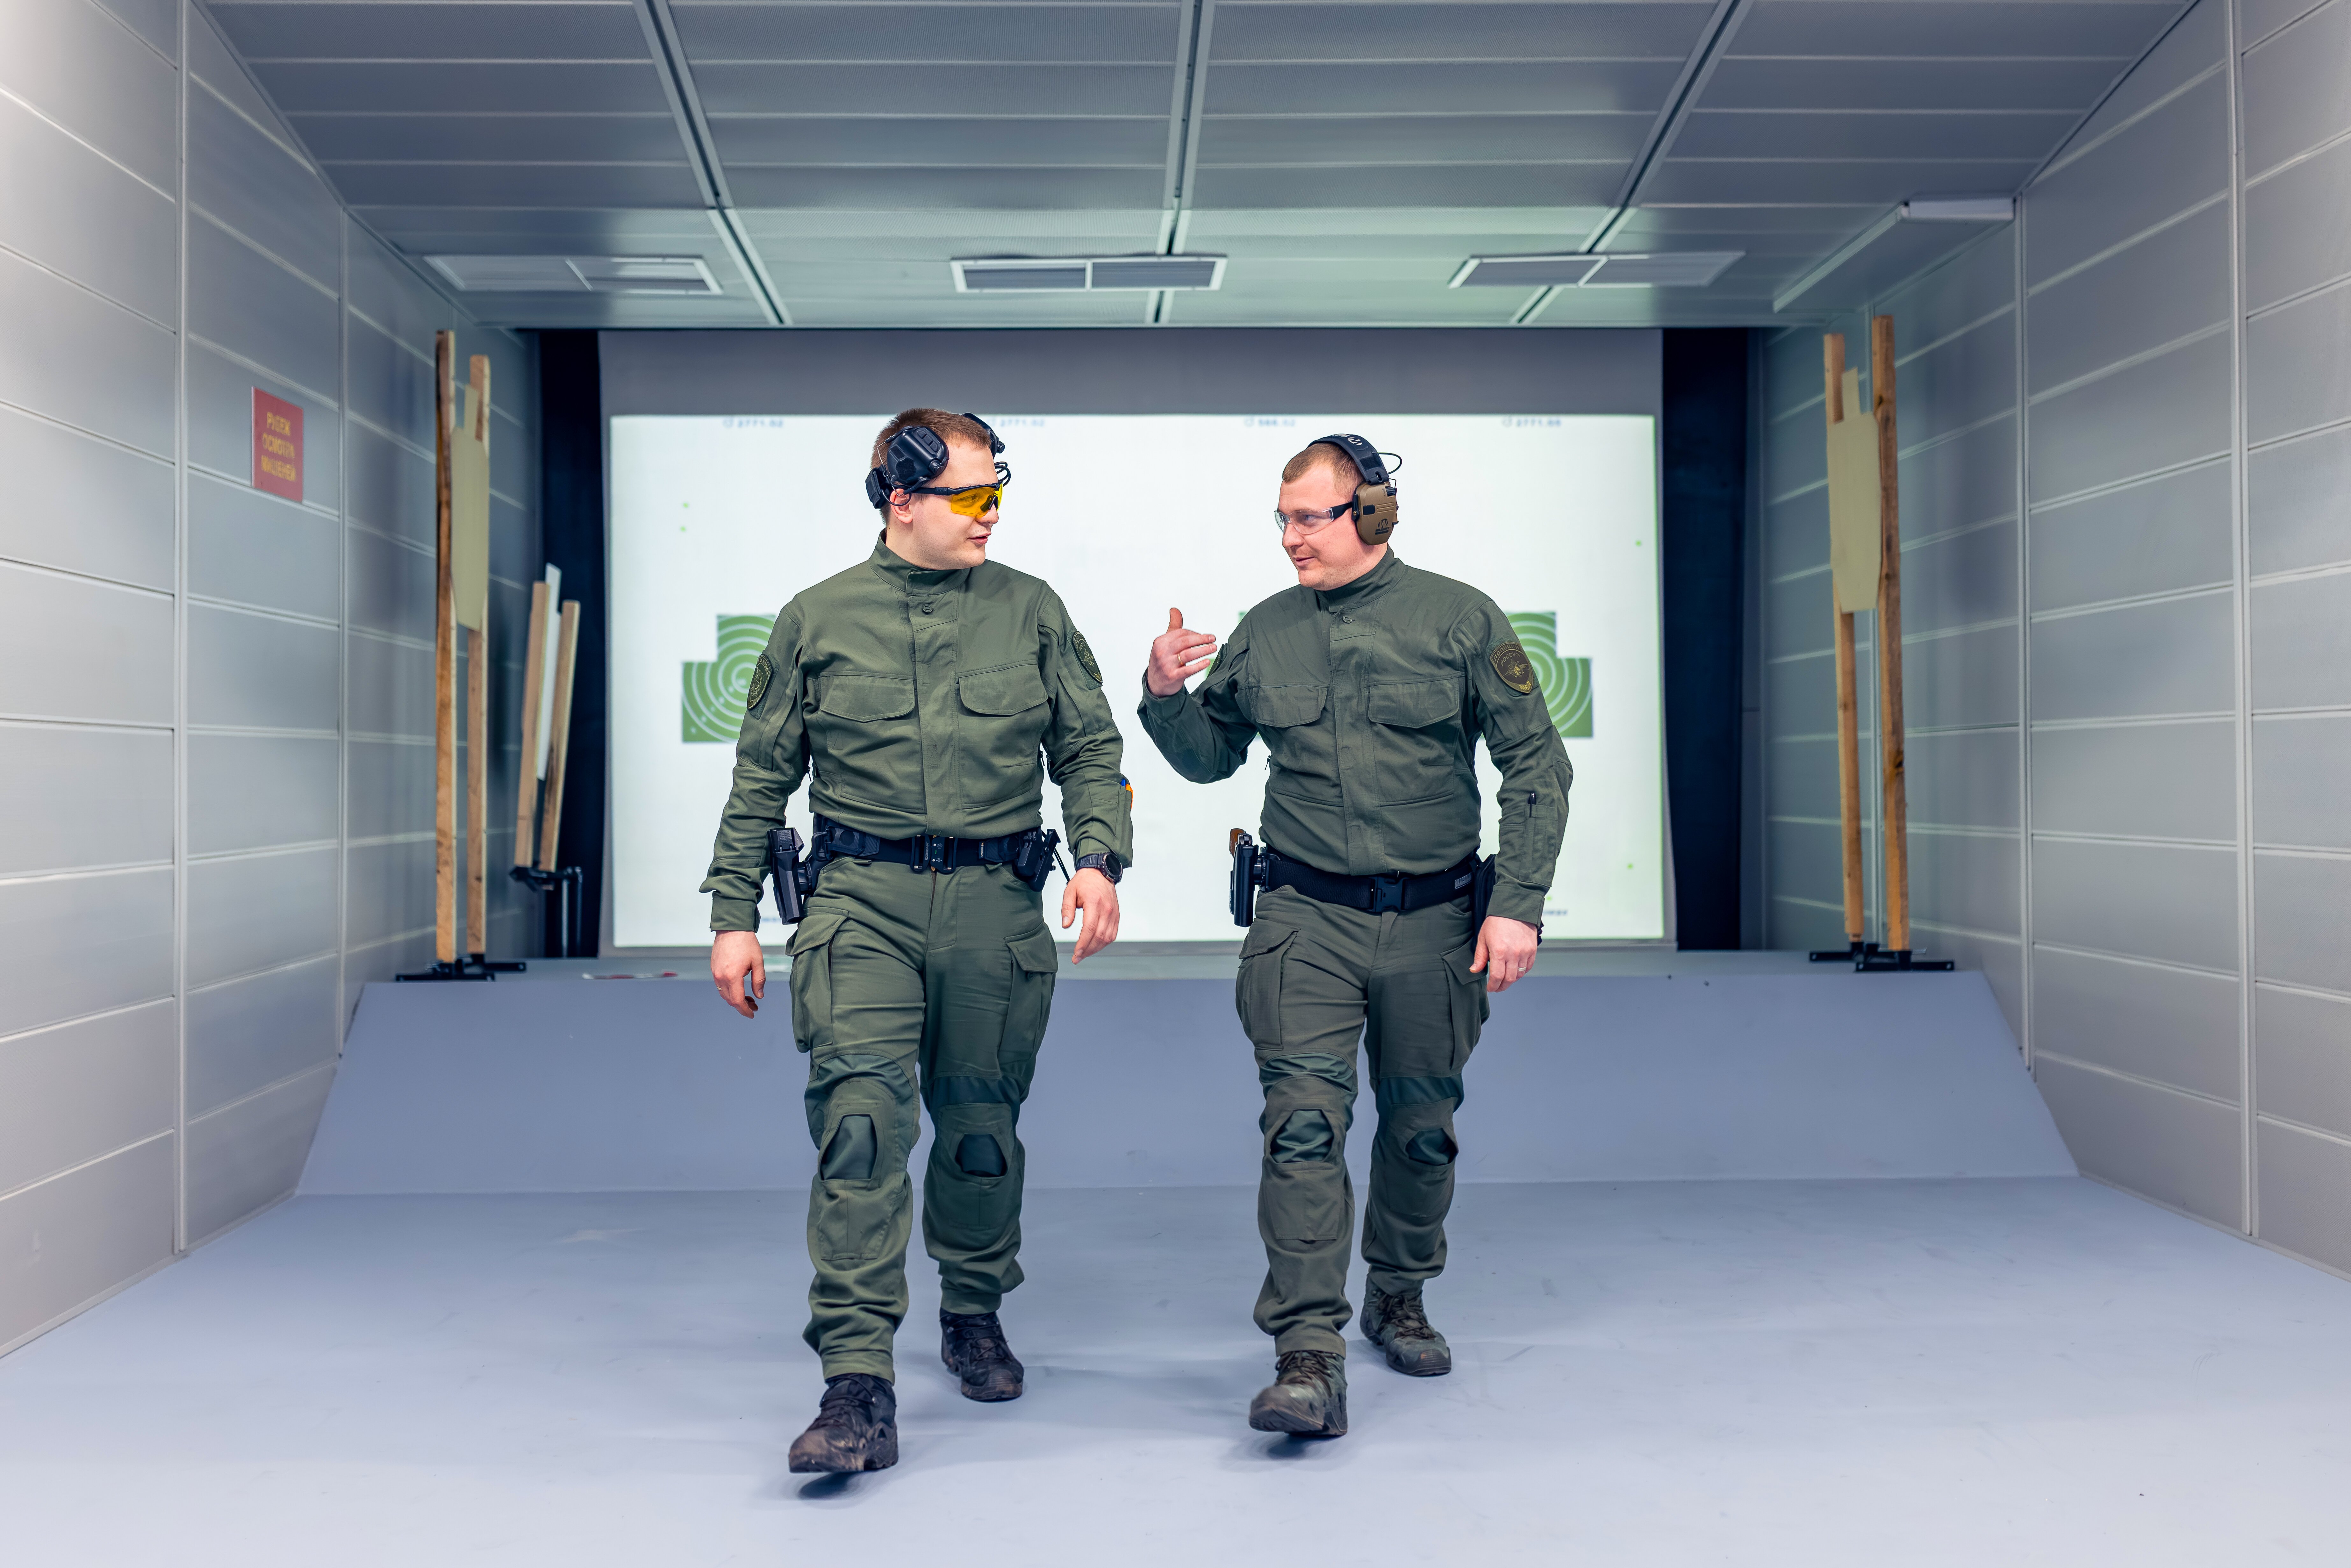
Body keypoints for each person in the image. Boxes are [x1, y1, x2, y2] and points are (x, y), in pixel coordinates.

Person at [705, 409, 1132, 1474]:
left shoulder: (1032, 610)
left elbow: (1089, 746)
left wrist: (1097, 857)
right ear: (901, 500)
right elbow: (761, 775)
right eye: (972, 497)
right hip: (862, 905)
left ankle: (974, 1309)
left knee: (981, 1128)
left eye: (998, 495)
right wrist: (732, 916)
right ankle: (856, 1382)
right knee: (860, 1125)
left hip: (994, 907)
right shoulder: (817, 619)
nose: (992, 515)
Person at [1136, 434, 1570, 1438]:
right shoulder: (1267, 631)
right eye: (1282, 519)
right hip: (1306, 921)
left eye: (1309, 517)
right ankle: (1307, 1353)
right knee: (1302, 1124)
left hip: (1436, 923)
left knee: (1421, 1127)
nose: (1291, 537)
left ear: (1371, 513)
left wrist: (1518, 900)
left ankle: (1398, 1293)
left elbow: (1537, 766)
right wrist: (1163, 695)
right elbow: (1210, 757)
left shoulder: (1460, 619)